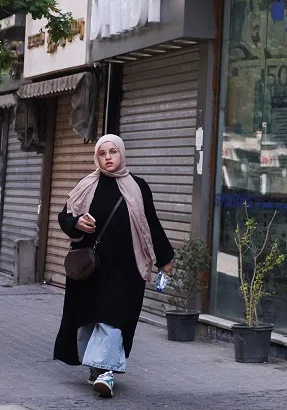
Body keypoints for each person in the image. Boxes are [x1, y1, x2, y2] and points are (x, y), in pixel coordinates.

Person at [53, 134, 174, 398]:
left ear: (121, 154)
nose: (108, 157)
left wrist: (165, 259)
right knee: (88, 319)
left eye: (113, 152)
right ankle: (96, 368)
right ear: (96, 157)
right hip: (89, 268)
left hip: (125, 268)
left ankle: (106, 372)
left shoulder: (138, 187)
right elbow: (64, 217)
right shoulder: (86, 184)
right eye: (102, 153)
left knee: (113, 319)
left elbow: (150, 223)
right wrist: (76, 223)